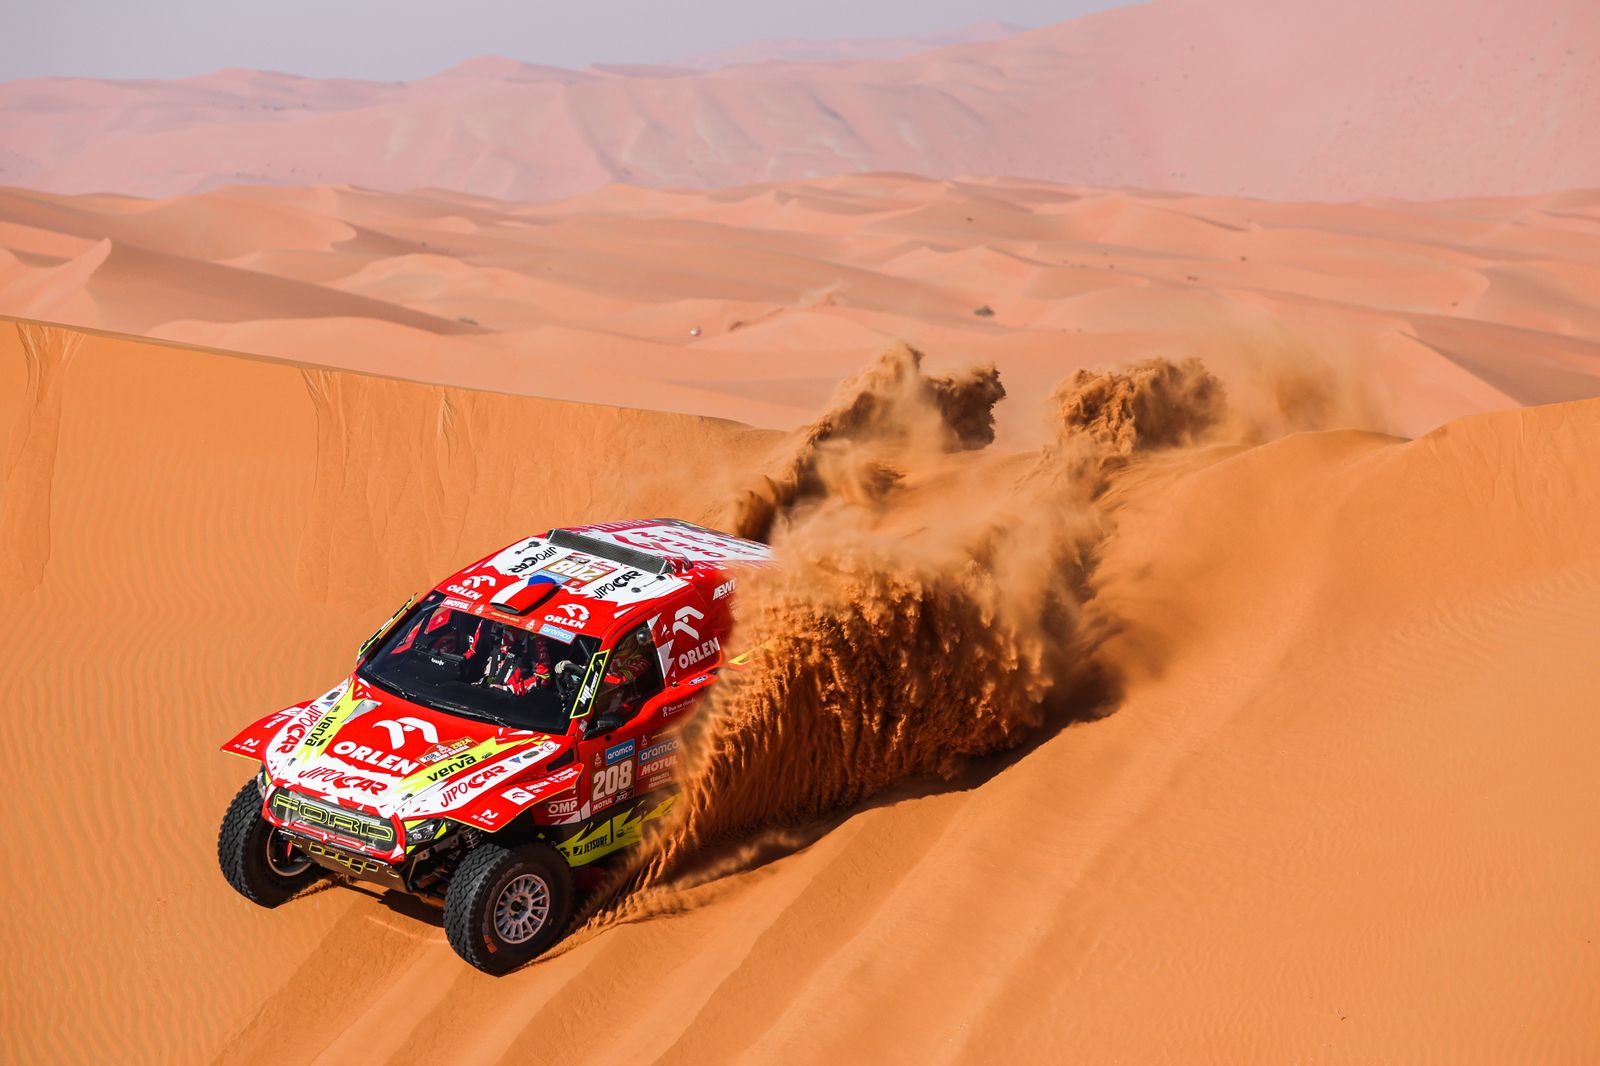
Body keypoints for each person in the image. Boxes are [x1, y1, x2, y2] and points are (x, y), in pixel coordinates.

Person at [479, 628, 550, 696]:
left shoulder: (533, 637)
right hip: (484, 690)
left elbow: (544, 677)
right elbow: (473, 652)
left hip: (511, 699)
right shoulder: (490, 621)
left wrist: (508, 689)